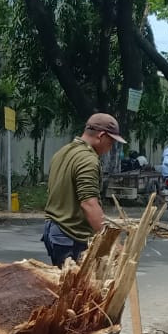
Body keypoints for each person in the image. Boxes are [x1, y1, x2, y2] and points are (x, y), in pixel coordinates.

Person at [41, 112, 126, 267]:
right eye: (111, 142)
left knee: (64, 286)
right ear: (101, 135)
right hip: (70, 234)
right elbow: (88, 204)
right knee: (77, 289)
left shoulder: (63, 152)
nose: (111, 147)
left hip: (54, 229)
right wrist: (112, 244)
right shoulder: (88, 160)